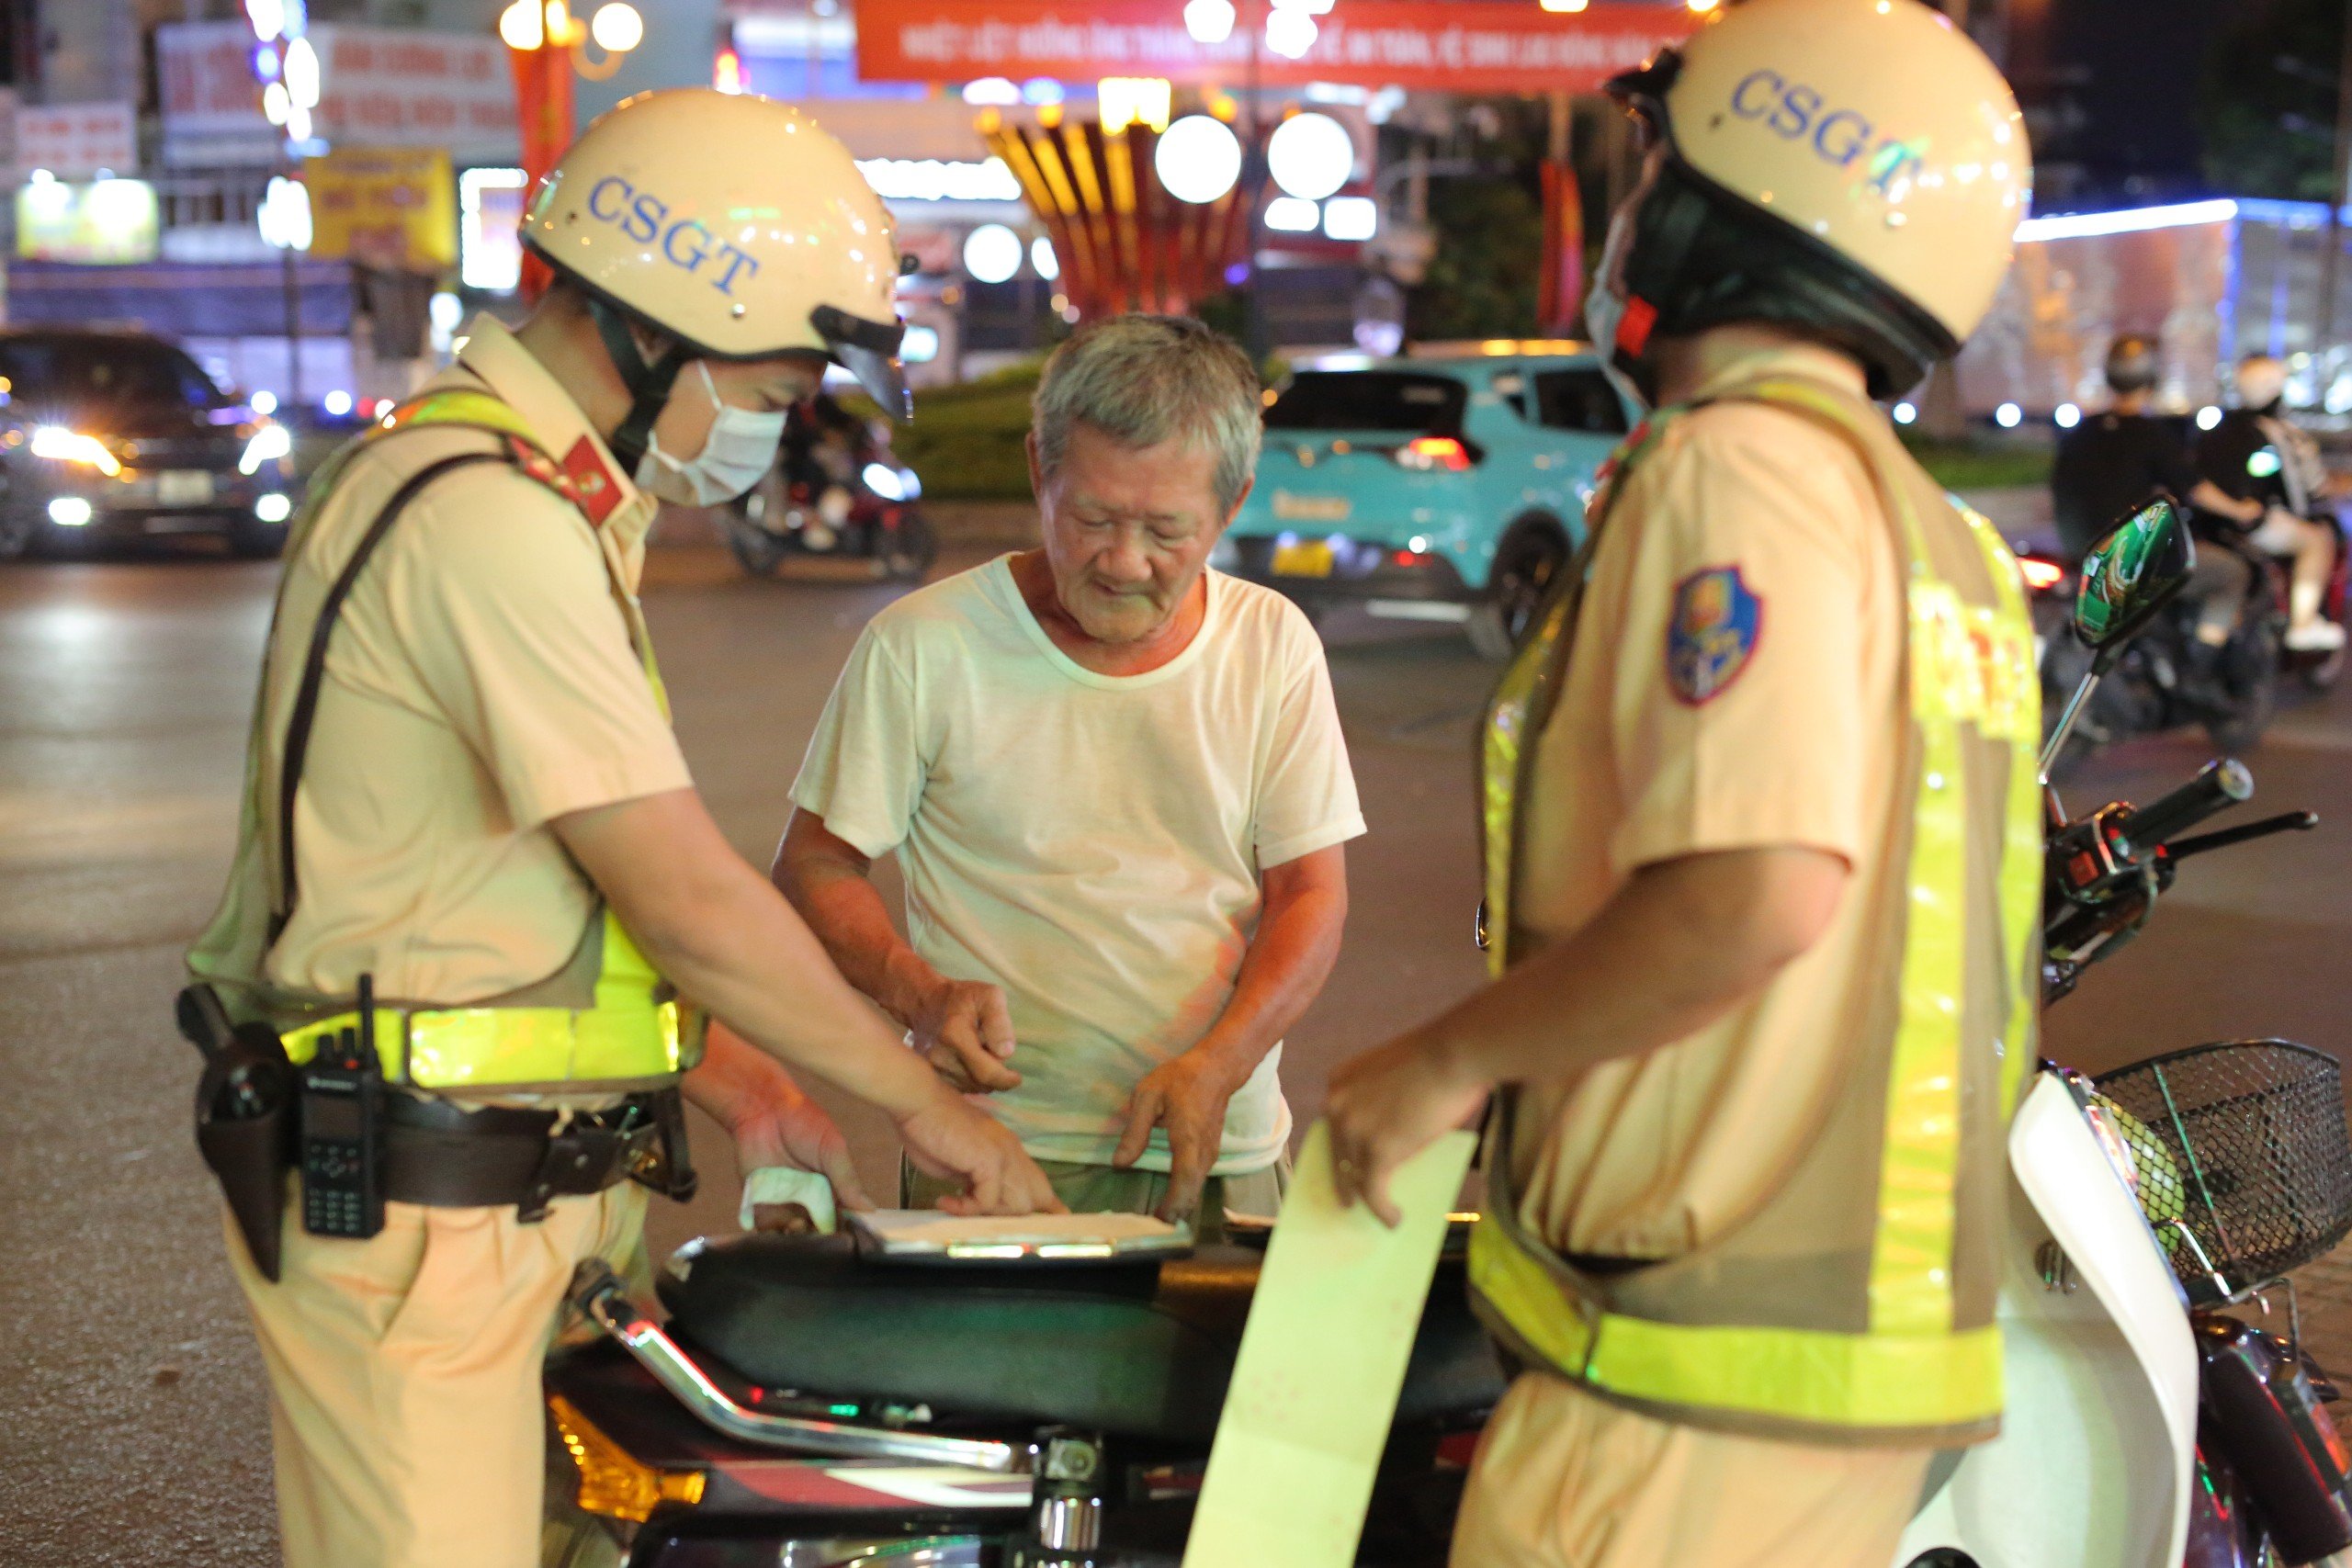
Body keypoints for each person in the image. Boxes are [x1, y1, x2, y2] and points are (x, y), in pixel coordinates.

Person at [184, 90, 1057, 1568]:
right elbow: (684, 899)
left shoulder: (547, 502)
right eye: (773, 386)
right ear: (665, 327)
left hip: (524, 1203)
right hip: (420, 1215)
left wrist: (753, 1084)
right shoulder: (482, 515)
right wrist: (929, 1108)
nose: (774, 424)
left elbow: (536, 906)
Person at [1322, 3, 2047, 1564]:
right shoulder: (1937, 537)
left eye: (1659, 172)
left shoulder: (1739, 469)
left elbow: (1755, 890)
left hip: (1676, 1386)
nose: (1634, 218)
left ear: (1747, 203)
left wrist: (1441, 1063)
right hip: (1822, 1365)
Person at [780, 314, 1364, 1234]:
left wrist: (1223, 1061)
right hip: (986, 1146)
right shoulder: (924, 646)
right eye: (1091, 518)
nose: (1123, 562)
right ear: (1037, 472)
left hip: (1218, 1134)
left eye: (1168, 530)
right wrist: (917, 993)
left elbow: (1310, 894)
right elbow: (817, 864)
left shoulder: (1270, 645)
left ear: (1233, 502)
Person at [2051, 334, 2267, 655]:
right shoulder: (2153, 434)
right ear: (2152, 379)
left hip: (2079, 556)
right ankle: (2204, 653)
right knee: (2233, 572)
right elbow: (2195, 490)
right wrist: (2242, 510)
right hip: (2130, 563)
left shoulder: (2081, 432)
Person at [2195, 352, 2346, 652]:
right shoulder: (2278, 432)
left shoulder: (2218, 428)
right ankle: (2303, 624)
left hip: (2212, 525)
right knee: (2318, 541)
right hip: (2252, 522)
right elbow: (2303, 488)